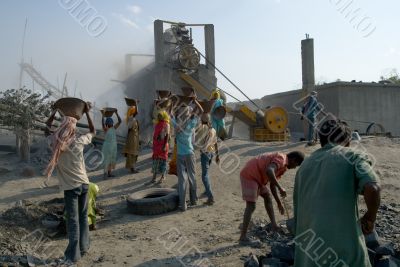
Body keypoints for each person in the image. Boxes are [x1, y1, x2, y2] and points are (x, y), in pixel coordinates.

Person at [293, 119, 380, 267]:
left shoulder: (304, 166)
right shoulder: (351, 155)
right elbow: (373, 188)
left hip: (308, 256)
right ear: (347, 140)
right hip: (345, 255)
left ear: (321, 141)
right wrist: (370, 218)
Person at [44, 103, 95, 265]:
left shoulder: (56, 142)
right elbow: (93, 131)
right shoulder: (79, 141)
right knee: (82, 217)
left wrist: (53, 112)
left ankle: (73, 255)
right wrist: (87, 113)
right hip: (84, 184)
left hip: (71, 188)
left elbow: (46, 128)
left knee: (72, 220)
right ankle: (84, 246)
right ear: (74, 128)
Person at [239, 150, 305, 243]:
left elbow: (272, 184)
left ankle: (274, 226)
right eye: (296, 165)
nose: (294, 168)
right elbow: (269, 170)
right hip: (250, 174)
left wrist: (279, 203)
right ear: (294, 160)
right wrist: (280, 188)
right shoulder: (282, 158)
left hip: (259, 178)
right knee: (251, 206)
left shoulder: (283, 167)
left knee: (267, 196)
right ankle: (243, 237)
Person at [171, 97, 204, 211]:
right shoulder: (191, 123)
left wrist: (174, 105)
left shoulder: (176, 124)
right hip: (190, 154)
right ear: (188, 113)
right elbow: (201, 111)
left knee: (182, 180)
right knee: (192, 177)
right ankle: (194, 200)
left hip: (180, 155)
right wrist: (195, 101)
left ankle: (183, 204)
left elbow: (170, 114)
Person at [195, 113, 219, 205]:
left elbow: (202, 142)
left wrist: (201, 150)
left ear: (202, 121)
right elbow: (215, 142)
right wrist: (217, 155)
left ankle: (211, 197)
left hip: (205, 154)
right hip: (211, 153)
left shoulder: (204, 130)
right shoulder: (213, 130)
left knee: (204, 176)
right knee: (206, 173)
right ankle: (206, 191)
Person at [151, 110, 170, 183]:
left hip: (163, 145)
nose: (159, 117)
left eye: (160, 115)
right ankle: (154, 177)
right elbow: (155, 135)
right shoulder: (157, 124)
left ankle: (163, 176)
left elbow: (167, 135)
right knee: (155, 161)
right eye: (158, 116)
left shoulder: (166, 125)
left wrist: (165, 145)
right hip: (156, 145)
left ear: (164, 116)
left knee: (163, 161)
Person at [101, 111, 121, 177]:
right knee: (107, 159)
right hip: (107, 147)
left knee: (111, 159)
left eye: (111, 123)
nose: (110, 124)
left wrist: (116, 113)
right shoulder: (106, 129)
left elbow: (120, 121)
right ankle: (105, 173)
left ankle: (109, 173)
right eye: (110, 123)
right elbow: (102, 123)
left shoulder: (113, 128)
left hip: (113, 146)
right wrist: (103, 116)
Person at [123, 106, 140, 173]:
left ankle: (133, 167)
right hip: (132, 138)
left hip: (134, 137)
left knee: (133, 152)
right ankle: (132, 168)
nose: (137, 112)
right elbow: (129, 128)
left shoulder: (133, 119)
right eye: (135, 111)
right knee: (131, 153)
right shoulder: (132, 119)